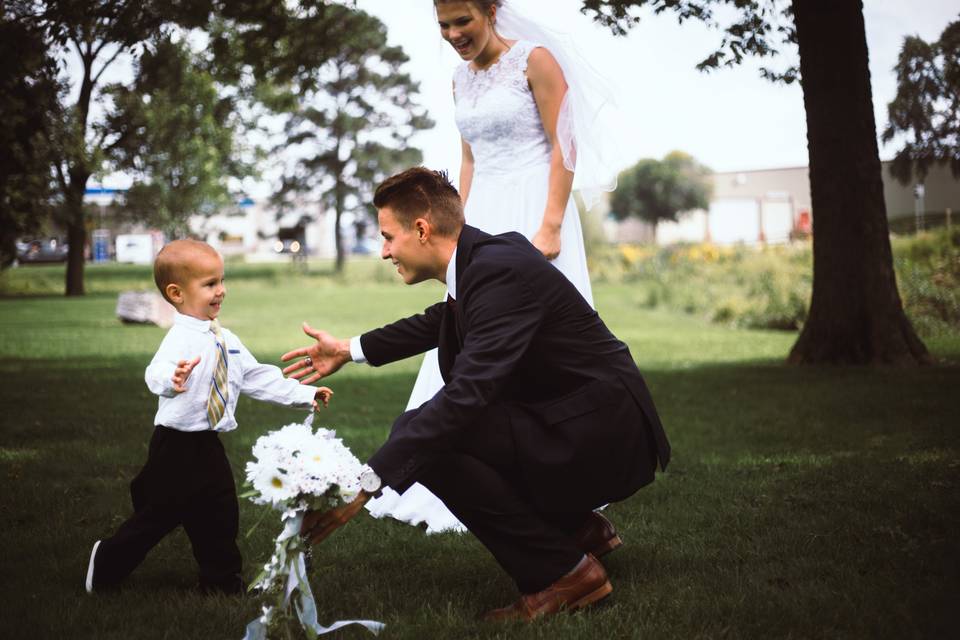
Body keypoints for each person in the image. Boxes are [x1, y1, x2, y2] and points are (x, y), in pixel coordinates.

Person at [282, 168, 669, 621]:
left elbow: (468, 393)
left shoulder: (497, 270)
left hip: (602, 435)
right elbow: (438, 322)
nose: (384, 251)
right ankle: (576, 529)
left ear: (422, 229)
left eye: (388, 237)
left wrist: (367, 484)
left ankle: (562, 573)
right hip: (582, 420)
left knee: (434, 440)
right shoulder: (484, 259)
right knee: (429, 432)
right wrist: (348, 350)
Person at [367, 0, 626, 533]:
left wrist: (551, 223)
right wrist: (455, 224)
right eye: (443, 25)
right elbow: (468, 160)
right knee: (465, 324)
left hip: (534, 203)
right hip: (481, 208)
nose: (454, 33)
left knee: (531, 339)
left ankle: (552, 462)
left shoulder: (535, 60)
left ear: (490, 10)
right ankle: (458, 470)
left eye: (463, 21)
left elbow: (564, 145)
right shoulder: (460, 80)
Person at [84, 239, 333, 595]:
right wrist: (172, 378)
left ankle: (221, 580)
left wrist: (305, 394)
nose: (222, 291)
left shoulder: (225, 338)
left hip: (208, 442)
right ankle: (108, 560)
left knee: (220, 509)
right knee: (161, 512)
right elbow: (155, 372)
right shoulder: (179, 338)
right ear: (177, 293)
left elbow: (255, 376)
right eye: (210, 284)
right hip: (176, 443)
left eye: (221, 281)